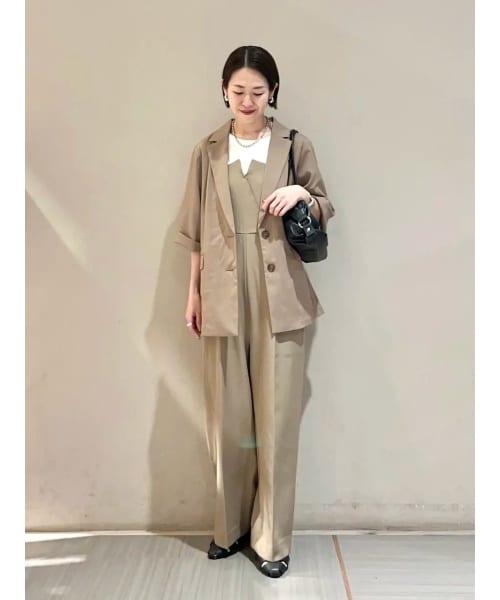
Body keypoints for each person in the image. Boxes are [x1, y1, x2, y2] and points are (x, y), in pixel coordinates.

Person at [175, 45, 335, 578]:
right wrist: (193, 294)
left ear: (273, 93)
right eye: (238, 90)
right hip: (222, 291)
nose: (248, 100)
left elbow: (325, 204)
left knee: (276, 421)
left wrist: (299, 193)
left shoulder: (294, 145)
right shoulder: (207, 150)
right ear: (224, 91)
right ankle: (229, 528)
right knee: (228, 421)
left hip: (279, 294)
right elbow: (195, 231)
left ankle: (272, 541)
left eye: (258, 92)